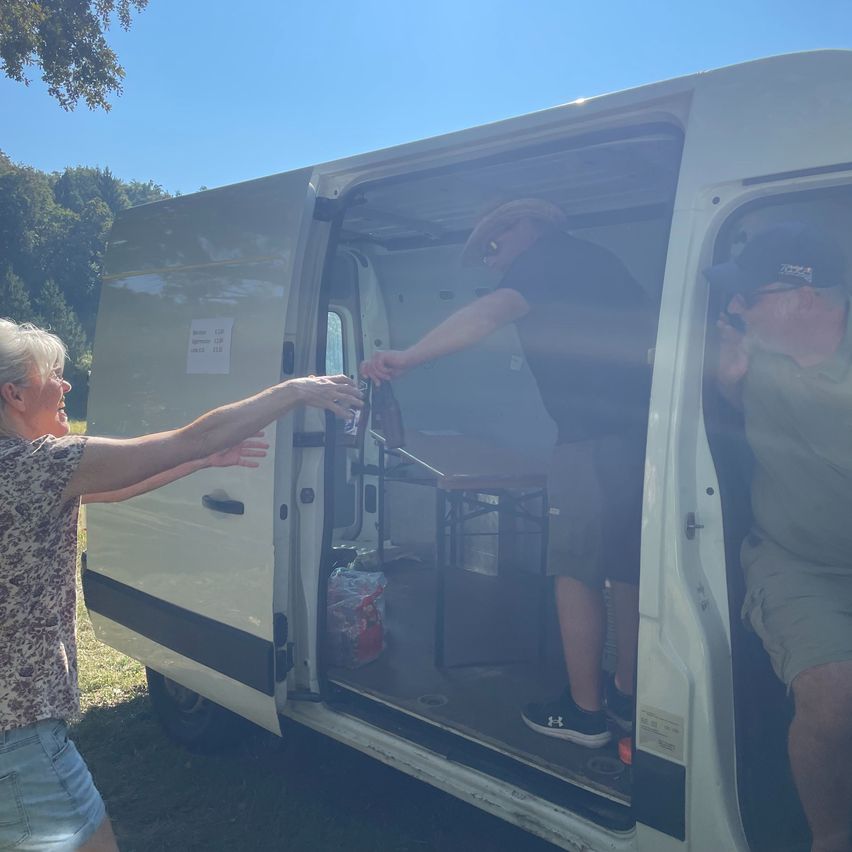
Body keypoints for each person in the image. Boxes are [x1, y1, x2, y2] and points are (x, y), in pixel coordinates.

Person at [0, 318, 361, 851]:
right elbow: (191, 436)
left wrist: (202, 461)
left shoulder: (28, 474)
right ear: (14, 392)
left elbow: (110, 488)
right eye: (53, 373)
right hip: (20, 731)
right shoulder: (34, 467)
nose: (67, 385)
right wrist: (295, 390)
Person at [361, 198, 654, 747]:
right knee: (627, 572)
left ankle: (584, 713)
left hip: (589, 442)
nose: (492, 263)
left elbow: (489, 313)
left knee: (576, 571)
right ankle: (628, 694)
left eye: (493, 248)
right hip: (639, 438)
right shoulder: (601, 263)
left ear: (526, 228)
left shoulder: (545, 258)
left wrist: (409, 357)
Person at [707, 222, 852, 852]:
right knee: (833, 692)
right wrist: (727, 379)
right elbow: (732, 406)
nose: (734, 307)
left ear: (807, 298)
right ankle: (831, 836)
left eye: (748, 294)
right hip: (793, 561)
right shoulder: (749, 352)